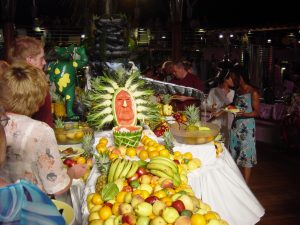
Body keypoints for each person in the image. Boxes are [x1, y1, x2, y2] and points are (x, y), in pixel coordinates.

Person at [0, 62, 87, 196]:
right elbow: (56, 187)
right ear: (38, 98)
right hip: (31, 208)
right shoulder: (40, 131)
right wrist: (72, 173)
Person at [8, 36, 54, 128]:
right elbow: (45, 124)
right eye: (41, 58)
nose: (44, 62)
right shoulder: (39, 87)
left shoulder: (6, 84)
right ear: (29, 60)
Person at [228, 65, 260, 184]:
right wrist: (229, 108)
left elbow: (257, 113)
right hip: (236, 126)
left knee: (246, 154)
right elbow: (235, 106)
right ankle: (236, 181)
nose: (232, 80)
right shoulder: (237, 91)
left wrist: (243, 114)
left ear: (240, 77)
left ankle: (245, 185)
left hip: (247, 128)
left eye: (233, 78)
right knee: (234, 153)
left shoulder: (253, 92)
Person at [204, 68, 235, 147]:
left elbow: (233, 107)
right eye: (231, 78)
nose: (234, 80)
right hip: (215, 122)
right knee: (214, 144)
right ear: (226, 79)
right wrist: (212, 107)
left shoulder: (234, 93)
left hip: (229, 123)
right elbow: (205, 104)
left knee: (226, 146)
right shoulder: (214, 91)